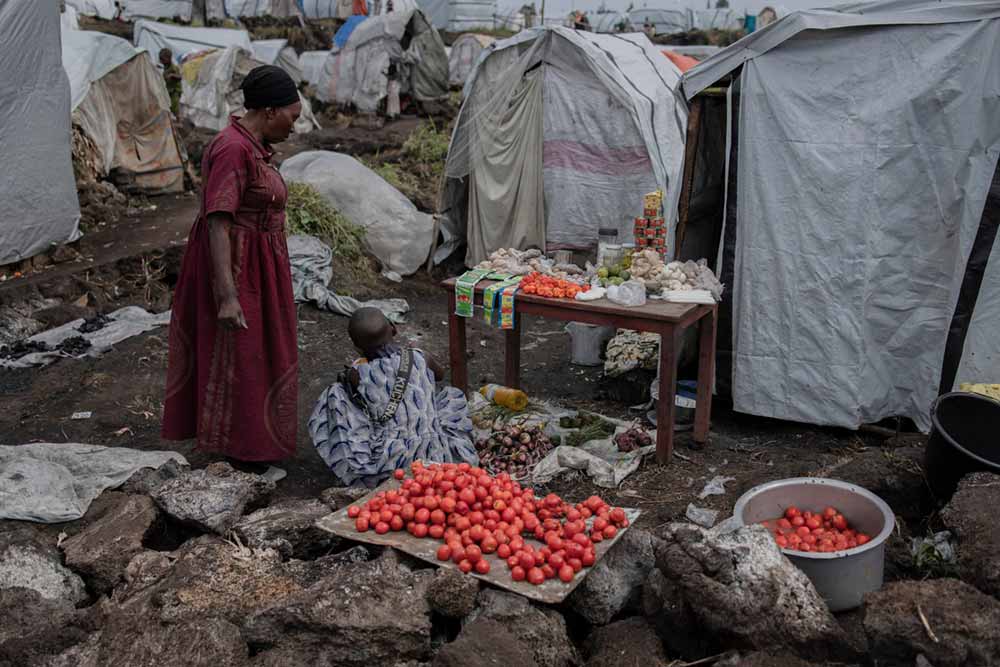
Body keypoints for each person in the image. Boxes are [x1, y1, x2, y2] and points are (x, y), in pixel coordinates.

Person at [162, 66, 302, 483]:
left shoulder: (253, 145)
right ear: (270, 109)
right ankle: (241, 452)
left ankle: (252, 446)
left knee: (260, 352)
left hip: (260, 266)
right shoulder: (231, 149)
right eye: (292, 117)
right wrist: (226, 294)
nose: (294, 127)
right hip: (238, 268)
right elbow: (217, 221)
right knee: (240, 355)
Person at [309, 308, 478, 488]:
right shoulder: (421, 357)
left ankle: (353, 463)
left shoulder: (358, 374)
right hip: (436, 454)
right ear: (394, 329)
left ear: (357, 348)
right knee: (450, 395)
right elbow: (440, 375)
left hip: (390, 462)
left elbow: (357, 400)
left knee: (335, 393)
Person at [158, 48, 182, 116]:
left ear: (169, 58)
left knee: (175, 106)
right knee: (168, 105)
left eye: (163, 59)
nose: (161, 61)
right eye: (160, 59)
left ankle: (179, 121)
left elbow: (180, 77)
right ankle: (170, 119)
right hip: (169, 89)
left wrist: (172, 75)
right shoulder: (166, 67)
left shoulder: (173, 67)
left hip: (175, 90)